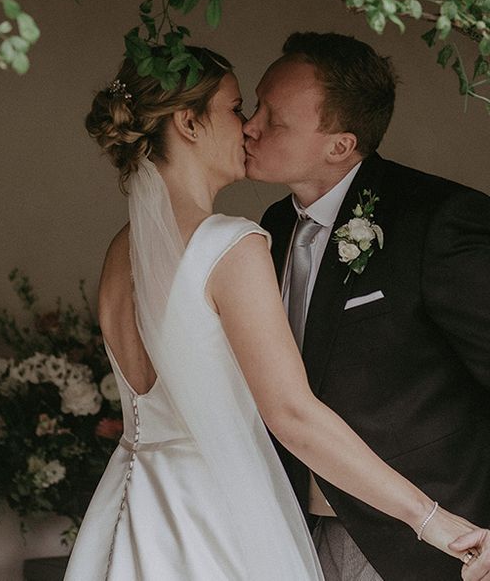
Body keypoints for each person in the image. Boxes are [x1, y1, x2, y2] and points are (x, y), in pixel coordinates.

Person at [64, 46, 483, 580]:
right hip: (223, 514)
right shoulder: (233, 242)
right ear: (190, 124)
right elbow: (291, 413)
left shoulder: (123, 250)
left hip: (138, 504)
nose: (248, 127)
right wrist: (429, 519)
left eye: (261, 113)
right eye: (239, 108)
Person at [244, 31, 490, 581]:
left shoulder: (438, 220)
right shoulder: (273, 227)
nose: (249, 125)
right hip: (297, 535)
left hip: (430, 543)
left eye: (273, 117)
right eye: (255, 103)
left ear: (340, 145)